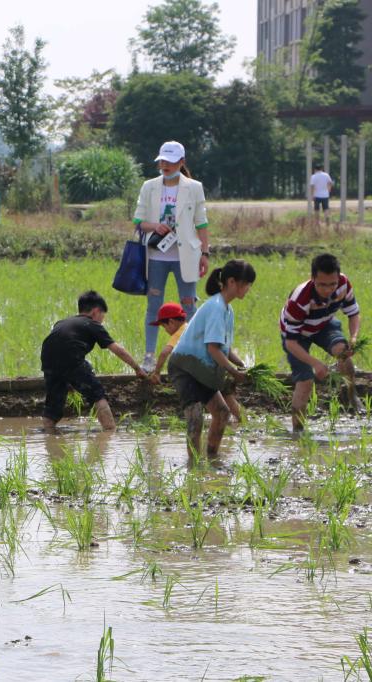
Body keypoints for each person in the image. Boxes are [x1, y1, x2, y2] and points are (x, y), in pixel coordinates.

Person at [133, 140, 211, 373]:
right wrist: (154, 226)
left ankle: (193, 352)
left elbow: (202, 223)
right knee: (153, 305)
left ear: (182, 161)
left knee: (189, 305)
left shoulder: (194, 187)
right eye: (162, 161)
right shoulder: (149, 187)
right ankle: (149, 356)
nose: (165, 165)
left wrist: (205, 253)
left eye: (170, 160)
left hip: (185, 256)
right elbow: (138, 222)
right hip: (157, 256)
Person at [168, 260, 256, 459]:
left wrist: (242, 365)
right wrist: (233, 371)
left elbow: (225, 347)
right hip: (186, 368)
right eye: (246, 284)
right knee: (195, 419)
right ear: (232, 282)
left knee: (222, 413)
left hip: (202, 370)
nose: (248, 289)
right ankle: (194, 466)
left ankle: (212, 457)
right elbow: (213, 349)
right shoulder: (216, 307)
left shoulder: (227, 310)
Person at [41, 291, 151, 433]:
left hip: (48, 362)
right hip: (72, 360)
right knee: (97, 394)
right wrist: (137, 368)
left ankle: (48, 433)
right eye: (102, 316)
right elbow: (117, 349)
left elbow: (59, 348)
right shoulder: (92, 324)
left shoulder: (61, 323)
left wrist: (66, 380)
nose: (102, 320)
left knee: (53, 405)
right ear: (96, 311)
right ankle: (110, 430)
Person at [280, 253, 361, 431]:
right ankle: (298, 431)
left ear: (338, 278)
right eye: (322, 284)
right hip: (298, 334)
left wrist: (353, 338)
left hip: (323, 323)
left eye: (332, 284)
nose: (328, 289)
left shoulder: (343, 284)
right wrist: (316, 363)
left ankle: (352, 395)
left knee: (343, 353)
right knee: (306, 382)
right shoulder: (299, 300)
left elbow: (353, 313)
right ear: (313, 279)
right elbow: (291, 343)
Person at [151, 301, 242, 422]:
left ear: (171, 322)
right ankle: (241, 421)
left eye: (164, 326)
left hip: (206, 372)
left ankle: (222, 424)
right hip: (220, 368)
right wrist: (241, 365)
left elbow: (164, 353)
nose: (165, 330)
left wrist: (156, 372)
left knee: (207, 400)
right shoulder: (196, 329)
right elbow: (226, 349)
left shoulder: (181, 333)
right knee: (228, 397)